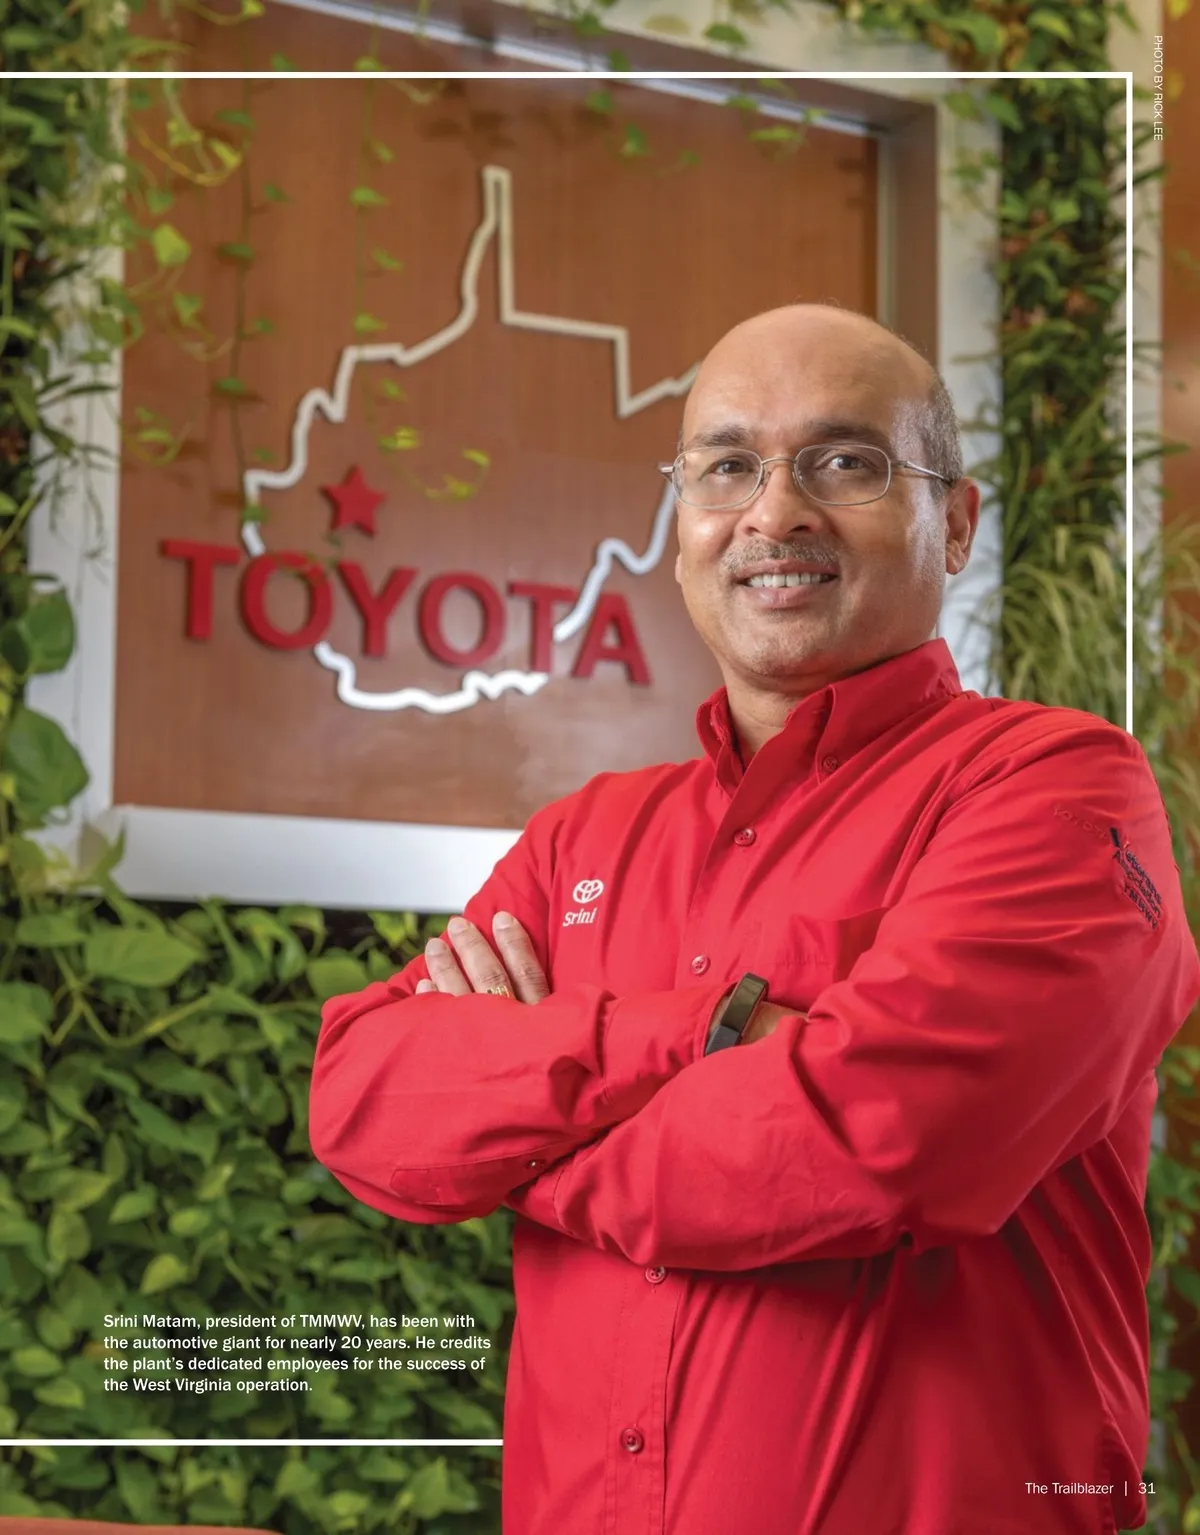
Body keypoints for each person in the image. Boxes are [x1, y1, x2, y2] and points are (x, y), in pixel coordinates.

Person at [309, 304, 1200, 1535]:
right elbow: (364, 1095)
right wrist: (700, 1035)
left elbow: (884, 1140)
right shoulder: (585, 835)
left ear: (955, 522)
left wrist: (521, 1139)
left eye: (844, 461)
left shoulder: (1051, 785)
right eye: (727, 465)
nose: (775, 513)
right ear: (682, 527)